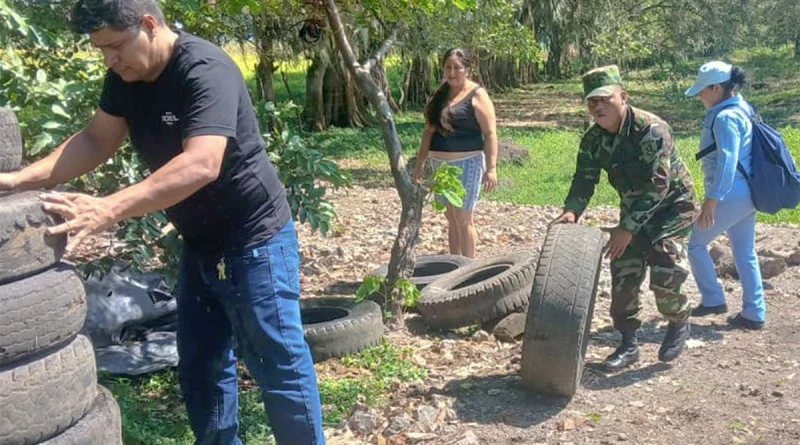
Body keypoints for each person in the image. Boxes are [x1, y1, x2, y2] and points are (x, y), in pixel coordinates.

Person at [0, 1, 326, 444]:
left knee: (278, 365)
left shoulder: (205, 69)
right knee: (201, 368)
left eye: (115, 46)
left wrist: (108, 207)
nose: (109, 60)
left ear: (150, 25)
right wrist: (17, 179)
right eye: (100, 51)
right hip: (201, 244)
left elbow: (201, 164)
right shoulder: (124, 76)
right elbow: (97, 139)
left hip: (255, 240)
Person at [549, 65, 699, 371]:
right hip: (634, 211)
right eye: (592, 102)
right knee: (623, 275)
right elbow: (584, 179)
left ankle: (679, 321)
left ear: (623, 97)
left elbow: (660, 184)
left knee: (665, 271)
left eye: (605, 99)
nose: (598, 107)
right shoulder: (593, 139)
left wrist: (627, 229)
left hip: (672, 208)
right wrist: (572, 210)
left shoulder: (652, 129)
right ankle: (629, 344)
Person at [684, 61, 765, 330]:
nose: (698, 96)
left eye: (702, 90)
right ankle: (754, 313)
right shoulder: (742, 107)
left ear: (717, 88)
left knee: (695, 244)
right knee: (745, 252)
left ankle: (712, 298)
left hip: (731, 193)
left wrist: (711, 201)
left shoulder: (726, 117)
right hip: (749, 192)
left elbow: (727, 162)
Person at [413, 48, 498, 258]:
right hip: (439, 164)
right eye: (448, 68)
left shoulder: (477, 94)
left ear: (467, 69)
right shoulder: (440, 95)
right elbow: (428, 131)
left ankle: (468, 268)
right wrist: (421, 161)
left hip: (467, 163)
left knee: (463, 218)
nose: (452, 73)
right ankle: (454, 263)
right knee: (450, 218)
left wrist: (492, 168)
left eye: (457, 68)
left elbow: (490, 134)